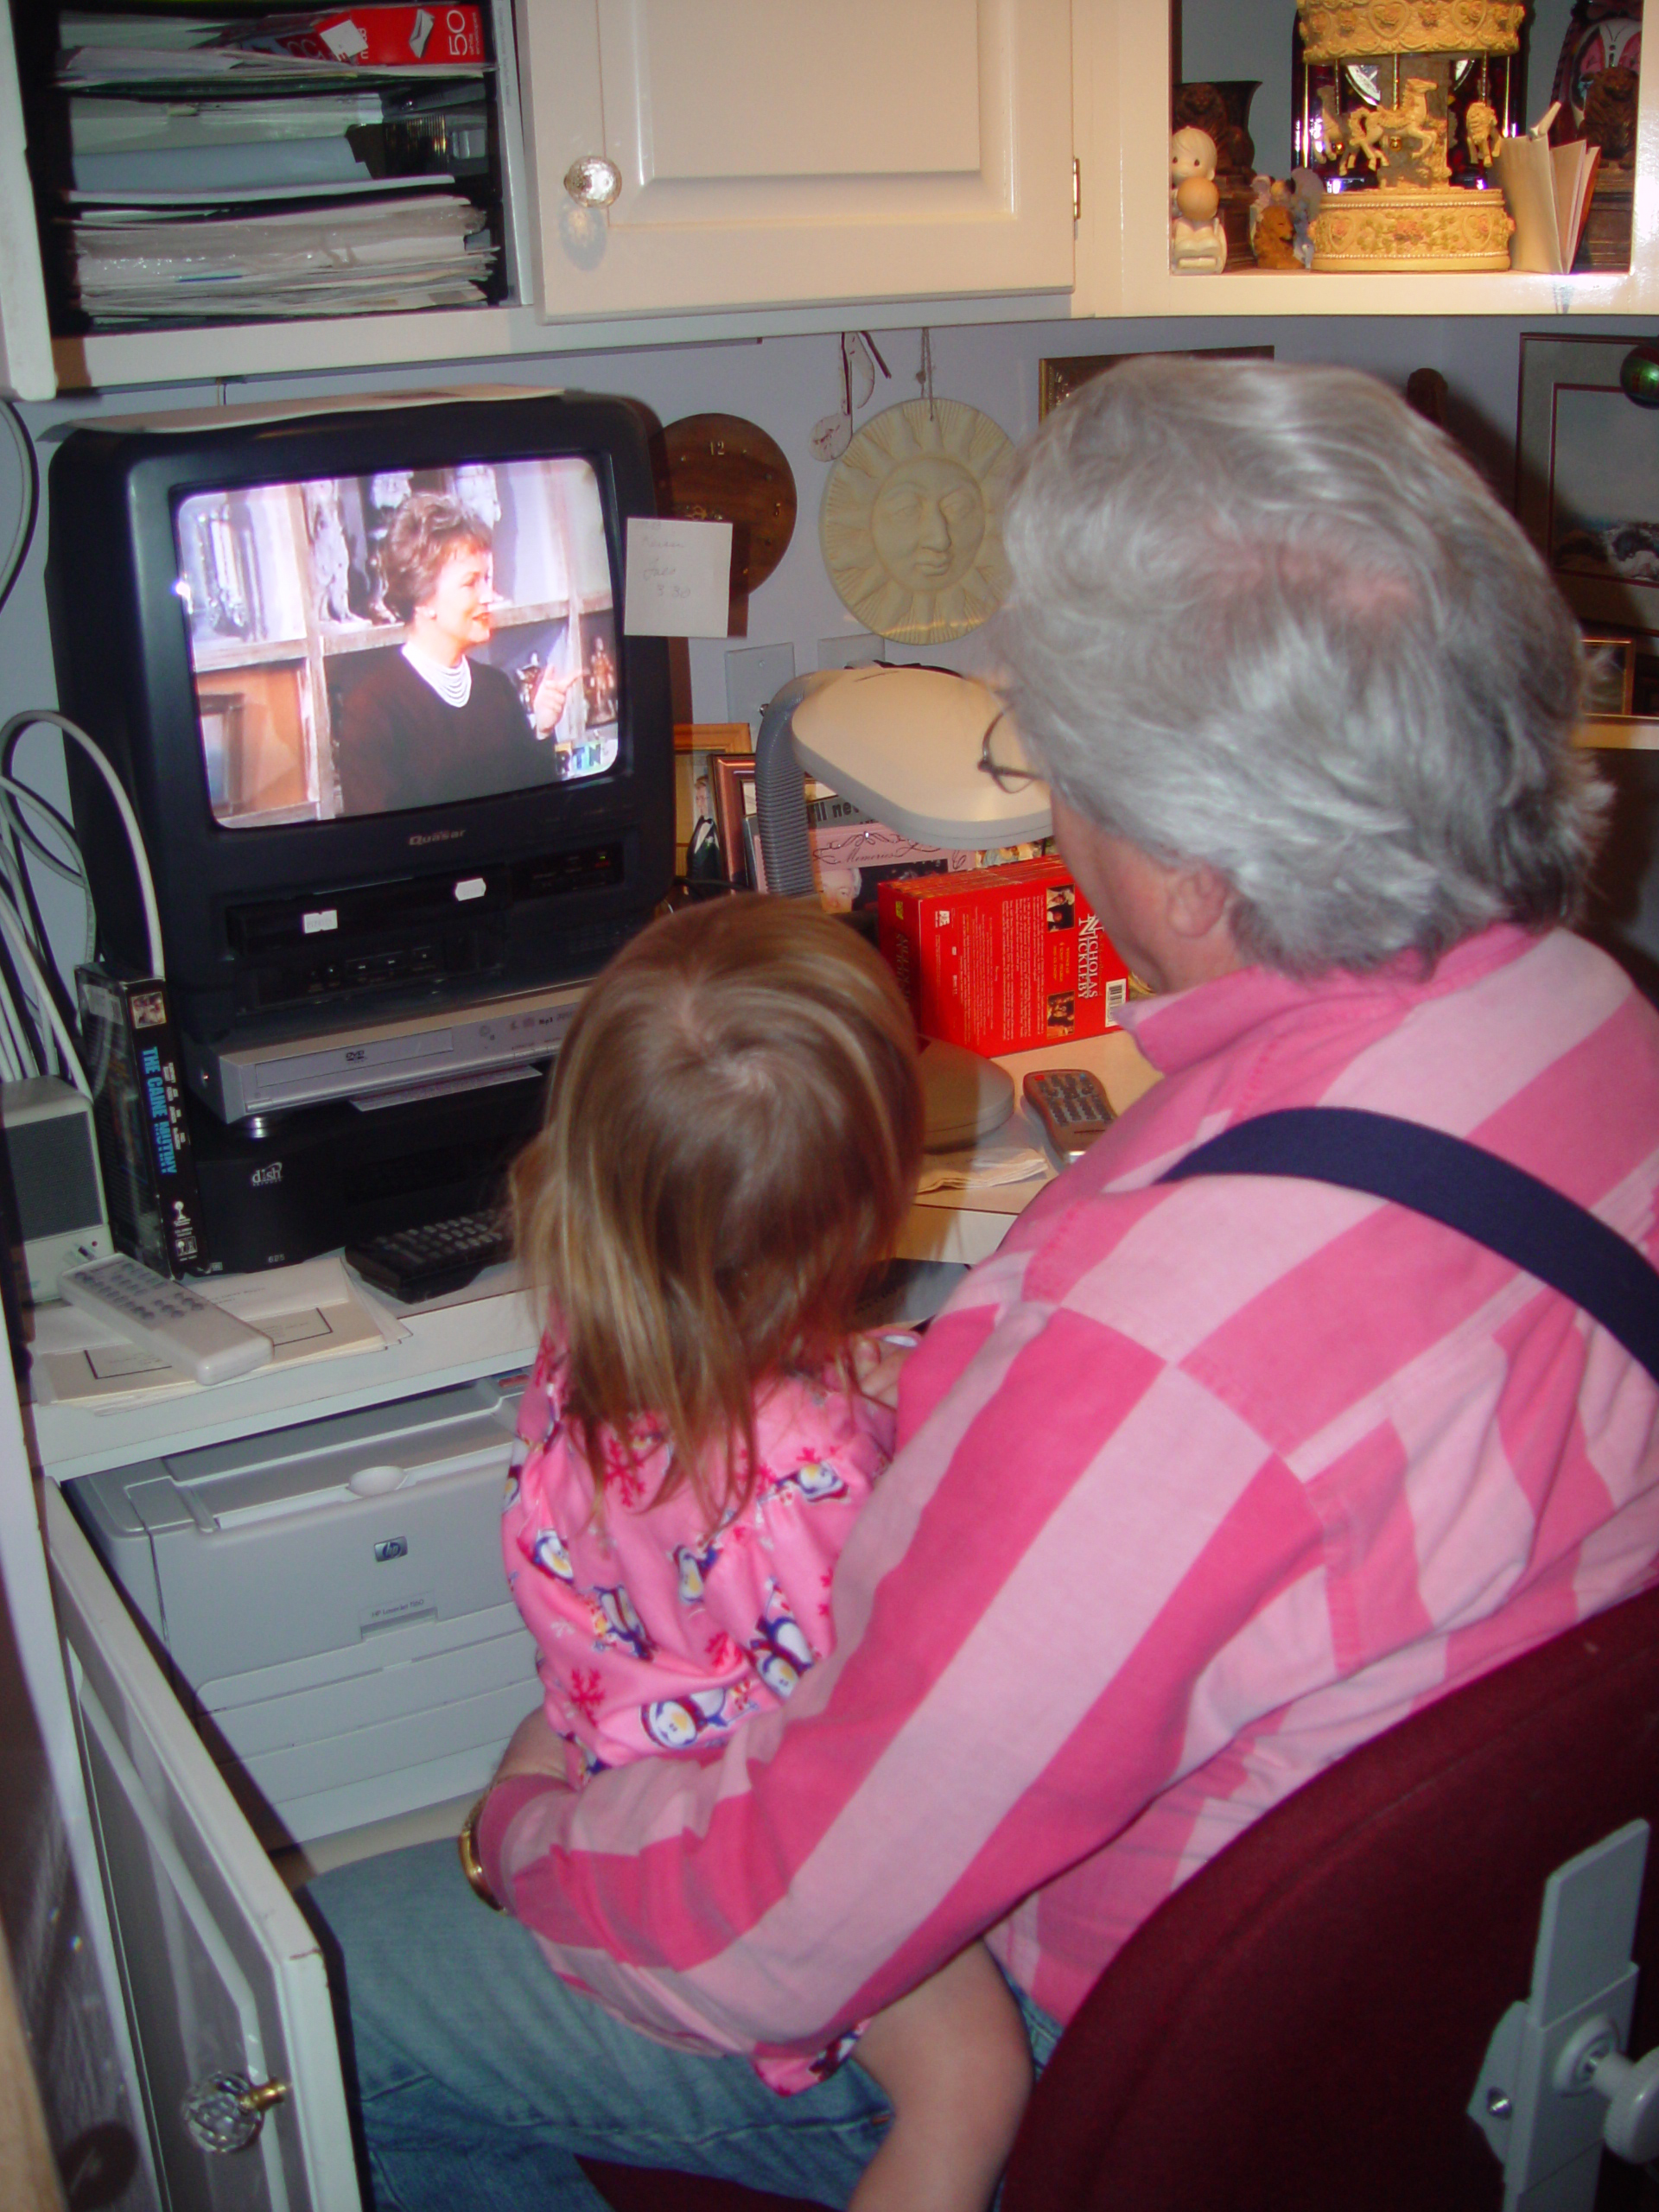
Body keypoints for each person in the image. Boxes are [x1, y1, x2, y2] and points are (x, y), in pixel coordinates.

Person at [309, 357, 1659, 2209]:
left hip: (1102, 2045)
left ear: (1184, 869)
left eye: (1048, 762)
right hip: (1464, 2025)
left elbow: (778, 1927)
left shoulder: (1145, 1345)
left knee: (299, 1998)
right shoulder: (1593, 1024)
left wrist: (520, 1832)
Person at [493, 894, 1031, 2211]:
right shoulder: (808, 1476)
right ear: (859, 1216)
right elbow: (869, 1705)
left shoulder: (589, 1324)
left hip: (609, 1748)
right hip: (742, 1846)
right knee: (975, 2087)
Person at [335, 491, 575, 814]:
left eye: (487, 578)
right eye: (471, 583)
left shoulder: (496, 688)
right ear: (424, 600)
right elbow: (381, 845)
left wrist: (543, 728)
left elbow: (535, 812)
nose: (489, 595)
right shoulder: (371, 709)